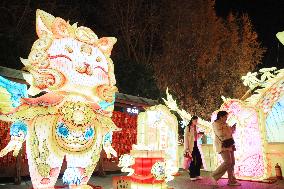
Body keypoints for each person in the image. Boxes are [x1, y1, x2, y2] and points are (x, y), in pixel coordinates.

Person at [211, 111, 241, 186]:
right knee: (228, 162)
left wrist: (232, 129)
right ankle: (214, 176)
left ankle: (232, 180)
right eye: (225, 117)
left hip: (229, 144)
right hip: (223, 145)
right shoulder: (216, 124)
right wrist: (228, 130)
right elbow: (220, 134)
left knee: (232, 162)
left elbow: (229, 133)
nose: (226, 118)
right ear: (221, 117)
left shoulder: (225, 124)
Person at [184, 116, 204, 181]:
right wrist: (187, 148)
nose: (196, 122)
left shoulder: (196, 127)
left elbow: (196, 138)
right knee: (192, 161)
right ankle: (192, 175)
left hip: (195, 144)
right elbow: (186, 138)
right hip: (190, 146)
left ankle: (197, 174)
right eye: (195, 121)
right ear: (192, 120)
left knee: (199, 160)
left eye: (197, 121)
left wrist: (200, 135)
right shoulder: (188, 127)